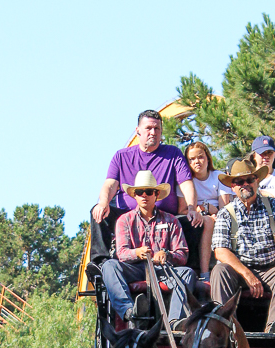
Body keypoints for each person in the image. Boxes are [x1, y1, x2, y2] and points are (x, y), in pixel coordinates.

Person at [89, 109, 202, 271]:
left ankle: (191, 270)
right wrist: (103, 203)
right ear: (138, 131)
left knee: (194, 221)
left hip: (164, 218)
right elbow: (110, 184)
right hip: (128, 217)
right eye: (148, 128)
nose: (153, 132)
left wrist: (192, 208)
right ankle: (100, 264)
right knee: (98, 213)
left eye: (157, 129)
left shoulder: (173, 154)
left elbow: (186, 184)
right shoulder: (121, 156)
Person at [210, 158, 275, 336]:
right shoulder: (226, 214)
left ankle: (274, 330)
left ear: (257, 181)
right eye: (240, 181)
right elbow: (220, 250)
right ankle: (224, 330)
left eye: (250, 179)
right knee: (220, 271)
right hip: (239, 273)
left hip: (270, 269)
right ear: (233, 186)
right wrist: (246, 274)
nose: (245, 184)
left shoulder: (274, 206)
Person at [101, 172, 196, 325]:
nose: (144, 195)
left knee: (187, 273)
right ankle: (129, 311)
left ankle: (175, 321)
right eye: (140, 192)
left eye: (149, 192)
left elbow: (182, 253)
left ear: (156, 194)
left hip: (162, 271)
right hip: (135, 269)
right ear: (135, 196)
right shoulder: (124, 220)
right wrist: (137, 253)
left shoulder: (171, 220)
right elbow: (122, 253)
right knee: (109, 266)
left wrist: (167, 255)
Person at [177, 141, 232, 280]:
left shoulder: (218, 177)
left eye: (200, 157)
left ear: (208, 157)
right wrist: (202, 210)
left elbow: (225, 208)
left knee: (213, 221)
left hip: (219, 216)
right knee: (207, 221)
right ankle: (204, 273)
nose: (197, 162)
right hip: (198, 216)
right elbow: (182, 209)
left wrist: (212, 211)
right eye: (192, 159)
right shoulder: (185, 182)